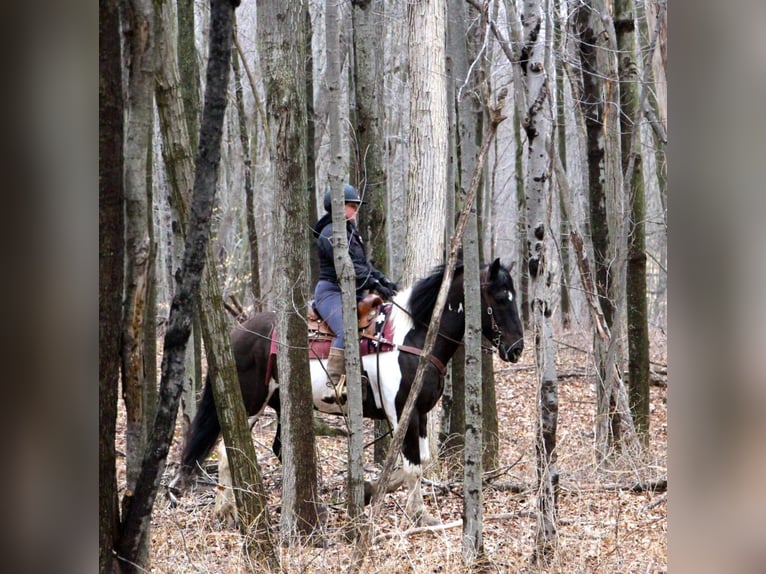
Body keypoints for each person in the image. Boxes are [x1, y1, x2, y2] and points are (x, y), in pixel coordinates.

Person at [311, 183, 398, 403]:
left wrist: (383, 279)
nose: (356, 210)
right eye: (352, 205)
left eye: (356, 205)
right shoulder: (330, 233)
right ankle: (332, 384)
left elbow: (362, 265)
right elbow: (347, 267)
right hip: (331, 292)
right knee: (347, 329)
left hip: (353, 292)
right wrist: (374, 282)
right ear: (338, 207)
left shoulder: (351, 232)